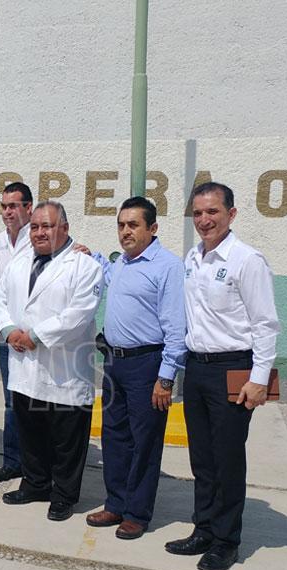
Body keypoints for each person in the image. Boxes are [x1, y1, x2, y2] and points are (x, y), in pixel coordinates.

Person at [165, 182, 280, 570]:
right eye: (197, 213)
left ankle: (226, 541)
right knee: (202, 457)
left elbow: (265, 324)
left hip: (234, 369)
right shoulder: (193, 258)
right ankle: (204, 529)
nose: (204, 220)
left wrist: (259, 378)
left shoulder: (248, 260)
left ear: (231, 214)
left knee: (227, 458)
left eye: (212, 211)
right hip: (197, 368)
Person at [0, 201, 103, 521]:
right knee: (31, 433)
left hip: (64, 369)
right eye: (36, 227)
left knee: (66, 439)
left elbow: (78, 315)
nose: (40, 232)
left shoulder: (85, 266)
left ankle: (64, 495)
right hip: (24, 366)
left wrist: (35, 336)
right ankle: (36, 484)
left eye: (48, 226)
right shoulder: (19, 261)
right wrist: (9, 330)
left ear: (64, 228)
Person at [85, 196, 186, 540]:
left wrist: (166, 378)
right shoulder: (123, 264)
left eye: (133, 225)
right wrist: (89, 254)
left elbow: (176, 327)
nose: (125, 231)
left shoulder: (167, 267)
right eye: (121, 225)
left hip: (148, 365)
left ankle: (137, 513)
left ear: (152, 228)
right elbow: (107, 272)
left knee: (145, 442)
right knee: (114, 436)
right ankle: (115, 503)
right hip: (115, 363)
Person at [0, 181, 33, 482]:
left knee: (35, 402)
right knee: (11, 402)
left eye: (13, 206)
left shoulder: (39, 238)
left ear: (28, 207)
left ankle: (36, 465)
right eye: (4, 207)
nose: (7, 212)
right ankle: (13, 461)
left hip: (33, 339)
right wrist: (6, 330)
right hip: (7, 337)